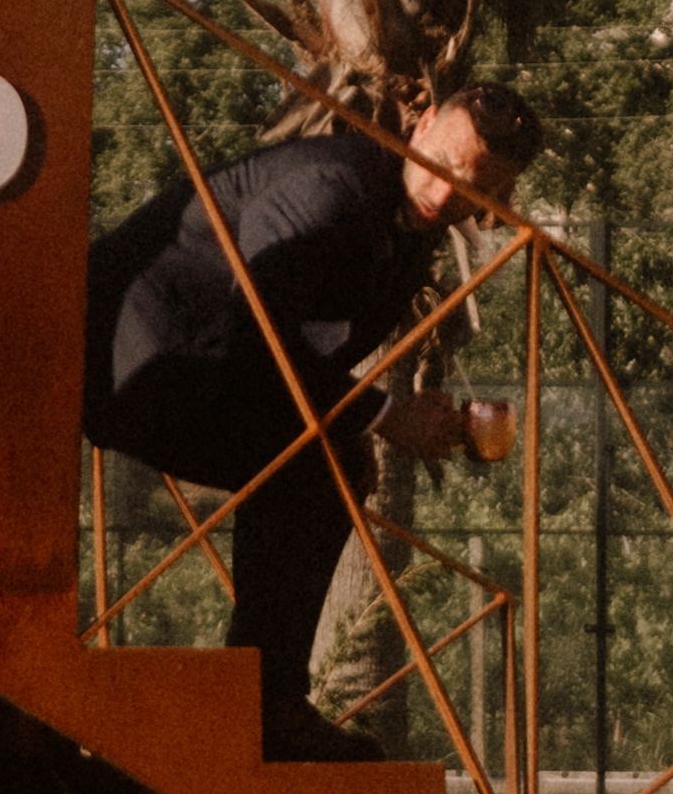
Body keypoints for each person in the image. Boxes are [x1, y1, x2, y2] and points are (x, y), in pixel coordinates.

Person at [82, 77, 540, 758]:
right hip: (122, 360)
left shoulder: (408, 221)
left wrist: (406, 413)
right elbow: (259, 342)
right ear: (417, 129)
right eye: (442, 167)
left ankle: (265, 700)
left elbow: (300, 354)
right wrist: (385, 414)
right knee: (323, 466)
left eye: (474, 189)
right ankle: (266, 706)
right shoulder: (331, 188)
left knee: (331, 462)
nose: (446, 195)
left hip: (202, 364)